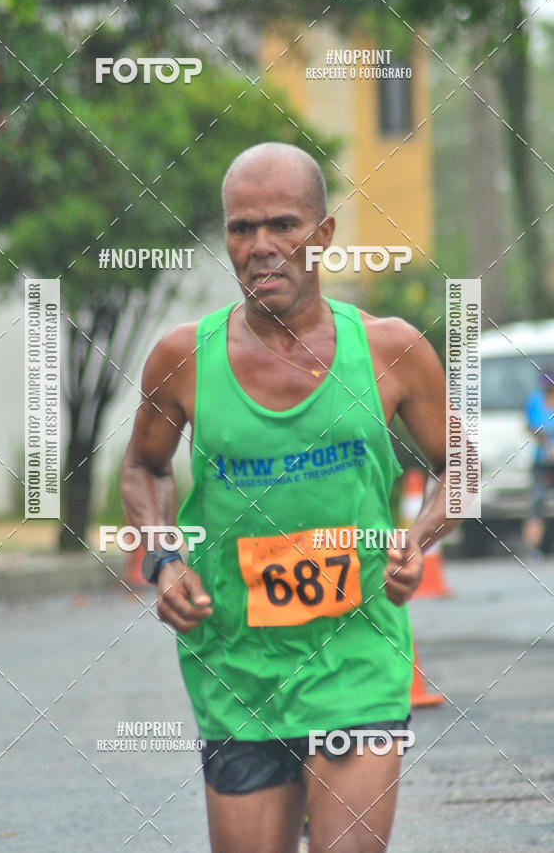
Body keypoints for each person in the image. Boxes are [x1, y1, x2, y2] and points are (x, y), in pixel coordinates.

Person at [121, 142, 454, 853]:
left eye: (284, 225)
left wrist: (416, 539)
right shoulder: (183, 357)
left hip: (356, 661)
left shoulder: (391, 349)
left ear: (323, 234)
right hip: (237, 672)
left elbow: (463, 466)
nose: (262, 247)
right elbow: (144, 468)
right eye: (242, 229)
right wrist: (163, 558)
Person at [522, 371, 554, 558]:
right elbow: (530, 425)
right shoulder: (535, 400)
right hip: (542, 459)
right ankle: (532, 548)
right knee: (536, 502)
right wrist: (544, 442)